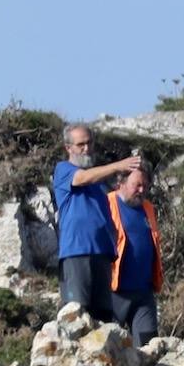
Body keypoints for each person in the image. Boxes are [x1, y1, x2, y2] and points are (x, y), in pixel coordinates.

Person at [52, 123, 140, 320]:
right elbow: (82, 178)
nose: (86, 148)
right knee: (78, 313)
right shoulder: (64, 169)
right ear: (68, 148)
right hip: (77, 252)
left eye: (90, 143)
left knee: (103, 315)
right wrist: (118, 165)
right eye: (80, 144)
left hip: (102, 252)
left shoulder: (99, 182)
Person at [106, 166, 164, 348]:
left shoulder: (148, 208)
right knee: (109, 351)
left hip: (143, 293)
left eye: (145, 186)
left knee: (149, 349)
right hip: (114, 293)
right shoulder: (107, 204)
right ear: (121, 183)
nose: (141, 190)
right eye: (136, 185)